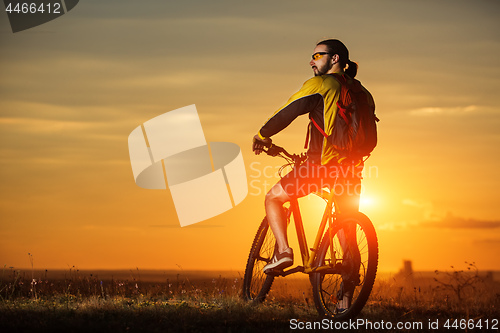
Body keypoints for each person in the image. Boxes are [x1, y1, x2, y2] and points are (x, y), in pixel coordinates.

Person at [252, 39, 365, 273]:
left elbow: (288, 111)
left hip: (320, 167)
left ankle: (283, 251)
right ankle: (345, 305)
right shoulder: (360, 90)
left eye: (317, 56)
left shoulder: (323, 85)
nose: (311, 61)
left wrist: (263, 135)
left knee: (273, 198)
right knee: (347, 228)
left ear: (335, 59)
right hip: (352, 171)